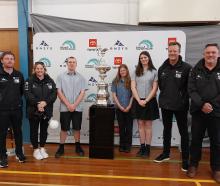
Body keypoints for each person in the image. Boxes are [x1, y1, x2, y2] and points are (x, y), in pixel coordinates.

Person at [154, 42, 191, 172]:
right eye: (170, 51)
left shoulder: (187, 68)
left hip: (181, 106)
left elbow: (189, 88)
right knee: (166, 130)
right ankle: (165, 153)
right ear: (168, 51)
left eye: (175, 51)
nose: (172, 53)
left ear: (179, 52)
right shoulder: (162, 68)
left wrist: (181, 99)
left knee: (183, 133)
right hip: (165, 105)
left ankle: (186, 159)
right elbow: (161, 86)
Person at [187, 43, 220, 183]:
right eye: (208, 52)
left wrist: (211, 105)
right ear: (204, 54)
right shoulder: (196, 69)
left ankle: (217, 169)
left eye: (213, 52)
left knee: (217, 142)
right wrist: (202, 104)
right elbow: (191, 89)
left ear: (218, 54)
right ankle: (193, 165)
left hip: (217, 112)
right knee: (195, 140)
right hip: (198, 112)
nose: (210, 55)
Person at [55, 56, 87, 158]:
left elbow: (82, 93)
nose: (71, 64)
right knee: (64, 128)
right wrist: (69, 105)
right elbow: (59, 92)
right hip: (65, 108)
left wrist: (74, 105)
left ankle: (78, 146)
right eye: (70, 62)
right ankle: (61, 147)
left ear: (76, 64)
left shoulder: (81, 77)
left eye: (73, 62)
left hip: (78, 108)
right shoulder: (60, 77)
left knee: (77, 128)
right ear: (67, 64)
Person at [24, 62, 57, 160]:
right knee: (33, 131)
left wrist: (45, 103)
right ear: (34, 70)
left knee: (44, 130)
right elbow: (27, 94)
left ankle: (42, 148)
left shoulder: (50, 80)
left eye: (41, 68)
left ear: (44, 69)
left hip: (46, 110)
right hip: (33, 110)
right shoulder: (29, 80)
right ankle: (35, 149)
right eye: (37, 68)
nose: (39, 70)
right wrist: (38, 104)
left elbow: (54, 94)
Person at [131, 51, 159, 157]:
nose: (143, 59)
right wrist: (139, 100)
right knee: (140, 125)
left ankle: (147, 149)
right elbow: (133, 87)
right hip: (138, 101)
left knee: (148, 126)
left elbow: (155, 88)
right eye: (141, 58)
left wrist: (146, 100)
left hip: (149, 101)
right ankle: (142, 147)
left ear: (149, 58)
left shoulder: (154, 72)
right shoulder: (136, 72)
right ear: (139, 60)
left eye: (145, 57)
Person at [0, 51, 26, 168]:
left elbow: (22, 92)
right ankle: (3, 157)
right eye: (7, 58)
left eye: (11, 58)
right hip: (2, 111)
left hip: (16, 110)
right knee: (2, 134)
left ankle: (19, 154)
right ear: (2, 60)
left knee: (18, 133)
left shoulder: (19, 75)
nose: (9, 60)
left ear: (14, 61)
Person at [112, 64, 133, 153]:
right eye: (121, 70)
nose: (122, 72)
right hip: (119, 108)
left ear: (127, 71)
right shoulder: (115, 81)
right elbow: (114, 96)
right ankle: (122, 145)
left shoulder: (131, 81)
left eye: (124, 70)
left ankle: (128, 146)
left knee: (129, 128)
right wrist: (120, 106)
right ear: (119, 72)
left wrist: (129, 106)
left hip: (129, 108)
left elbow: (133, 96)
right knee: (121, 127)